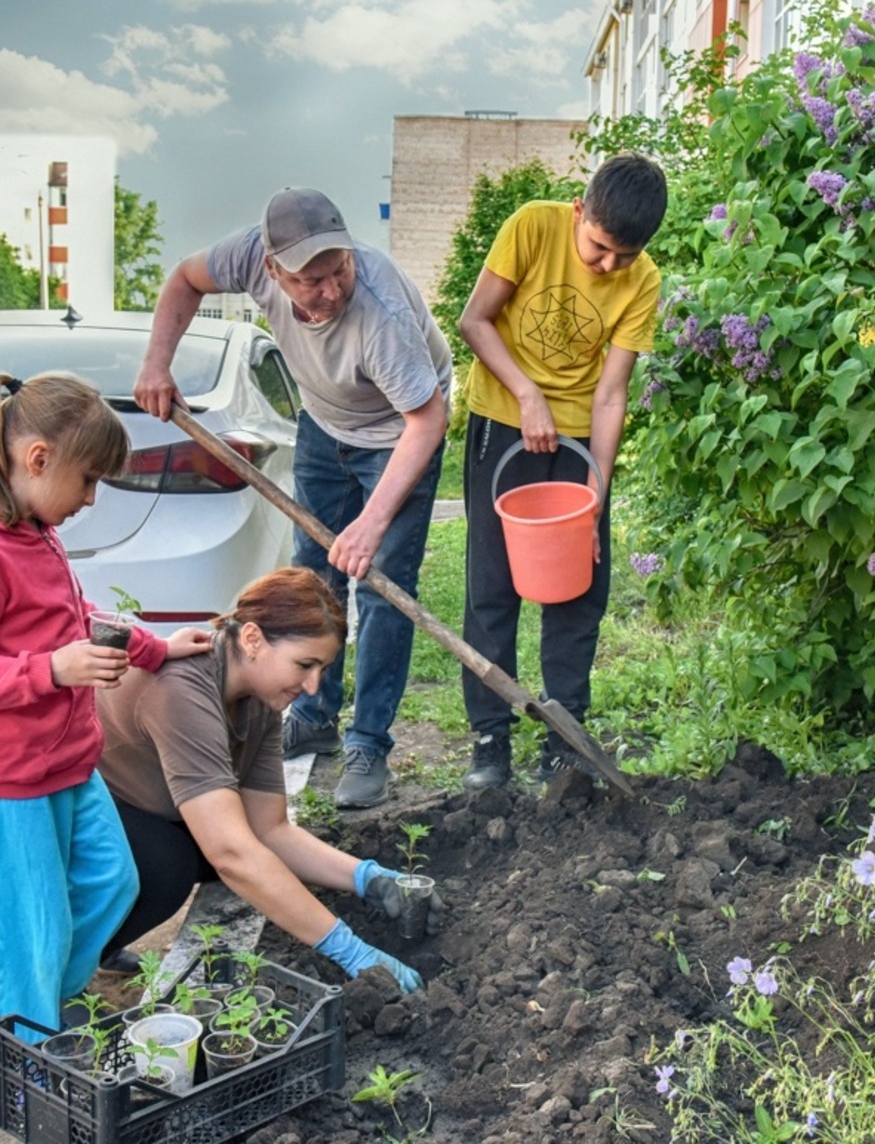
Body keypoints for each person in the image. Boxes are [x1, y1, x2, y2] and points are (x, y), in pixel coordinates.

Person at [0, 372, 212, 1043]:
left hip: (68, 767)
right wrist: (49, 669)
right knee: (28, 933)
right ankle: (22, 1052)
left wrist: (154, 648)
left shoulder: (34, 529)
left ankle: (43, 998)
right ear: (39, 458)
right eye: (88, 480)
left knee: (112, 884)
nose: (91, 497)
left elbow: (74, 614)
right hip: (7, 783)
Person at [135, 188, 451, 810]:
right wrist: (156, 364)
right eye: (312, 280)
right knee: (313, 577)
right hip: (324, 425)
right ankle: (314, 714)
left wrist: (371, 523)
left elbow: (427, 420)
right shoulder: (247, 255)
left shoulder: (380, 314)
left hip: (399, 434)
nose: (331, 290)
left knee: (383, 585)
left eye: (340, 270)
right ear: (273, 270)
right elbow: (185, 280)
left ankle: (368, 742)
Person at [95, 567, 432, 993]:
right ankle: (70, 962)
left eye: (322, 669)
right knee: (171, 865)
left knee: (235, 847)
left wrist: (369, 878)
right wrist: (349, 950)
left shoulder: (259, 697)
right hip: (87, 814)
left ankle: (100, 942)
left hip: (153, 805)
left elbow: (269, 829)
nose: (313, 686)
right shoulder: (182, 689)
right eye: (305, 665)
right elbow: (231, 854)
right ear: (252, 639)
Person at [457, 154, 667, 790]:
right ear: (579, 211)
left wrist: (596, 492)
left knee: (578, 585)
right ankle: (490, 737)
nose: (608, 267)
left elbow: (611, 394)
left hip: (577, 438)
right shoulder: (532, 226)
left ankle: (565, 737)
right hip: (502, 419)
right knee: (493, 583)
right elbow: (474, 320)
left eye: (625, 257)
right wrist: (527, 394)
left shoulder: (643, 280)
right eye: (600, 248)